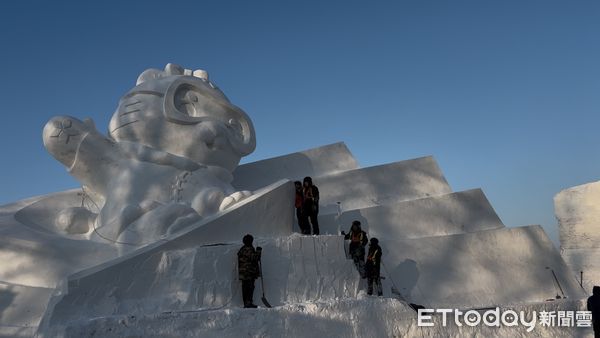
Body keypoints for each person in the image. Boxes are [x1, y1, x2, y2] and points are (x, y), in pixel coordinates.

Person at [238, 234, 262, 308]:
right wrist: (258, 251)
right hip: (248, 273)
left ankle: (246, 303)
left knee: (245, 288)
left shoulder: (242, 249)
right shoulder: (248, 249)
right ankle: (248, 303)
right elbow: (255, 258)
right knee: (249, 287)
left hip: (244, 273)